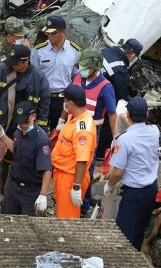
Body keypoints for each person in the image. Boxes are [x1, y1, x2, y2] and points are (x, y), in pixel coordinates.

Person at [0, 44, 50, 194]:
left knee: (16, 158)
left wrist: (40, 131)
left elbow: (44, 105)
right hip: (0, 124)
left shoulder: (38, 78)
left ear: (26, 61)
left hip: (23, 126)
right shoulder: (0, 70)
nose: (13, 66)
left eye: (16, 64)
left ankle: (7, 190)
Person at [104, 96, 158, 251]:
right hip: (150, 190)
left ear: (127, 115)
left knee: (124, 237)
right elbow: (140, 129)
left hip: (134, 194)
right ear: (147, 114)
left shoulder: (125, 140)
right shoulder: (154, 132)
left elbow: (117, 172)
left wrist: (109, 185)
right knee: (139, 232)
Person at [71, 48, 117, 216]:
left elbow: (112, 114)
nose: (82, 69)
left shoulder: (106, 87)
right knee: (70, 163)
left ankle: (83, 206)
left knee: (86, 168)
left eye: (86, 67)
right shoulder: (78, 78)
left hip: (90, 132)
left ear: (95, 68)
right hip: (72, 128)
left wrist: (115, 138)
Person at [0, 101, 52, 216]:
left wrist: (43, 195)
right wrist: (3, 136)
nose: (23, 125)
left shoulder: (41, 140)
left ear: (33, 116)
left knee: (28, 227)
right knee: (7, 221)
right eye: (20, 122)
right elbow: (17, 149)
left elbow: (47, 169)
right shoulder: (18, 132)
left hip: (30, 191)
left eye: (26, 122)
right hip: (13, 186)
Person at [51, 84, 96, 218]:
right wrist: (61, 120)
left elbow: (82, 161)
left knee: (67, 219)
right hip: (63, 174)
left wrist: (76, 187)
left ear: (70, 103)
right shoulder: (74, 116)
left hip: (71, 178)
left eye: (65, 102)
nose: (64, 105)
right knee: (61, 213)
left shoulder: (83, 130)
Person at [30, 16, 81, 131]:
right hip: (41, 97)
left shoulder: (74, 51)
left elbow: (76, 77)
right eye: (48, 33)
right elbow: (32, 76)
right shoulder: (39, 50)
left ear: (63, 32)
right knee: (37, 131)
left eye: (53, 33)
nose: (49, 36)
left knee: (60, 133)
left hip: (62, 100)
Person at [97, 38, 144, 159]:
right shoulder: (119, 69)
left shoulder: (104, 50)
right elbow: (121, 98)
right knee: (111, 116)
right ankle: (100, 153)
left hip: (86, 89)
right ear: (132, 55)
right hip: (99, 98)